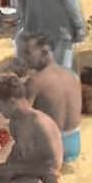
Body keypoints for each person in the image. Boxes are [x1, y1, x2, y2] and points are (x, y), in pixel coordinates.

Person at [13, 32, 82, 165]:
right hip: (73, 144)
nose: (22, 58)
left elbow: (20, 118)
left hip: (50, 149)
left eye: (27, 53)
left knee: (0, 120)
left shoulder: (35, 82)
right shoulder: (71, 75)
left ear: (45, 51)